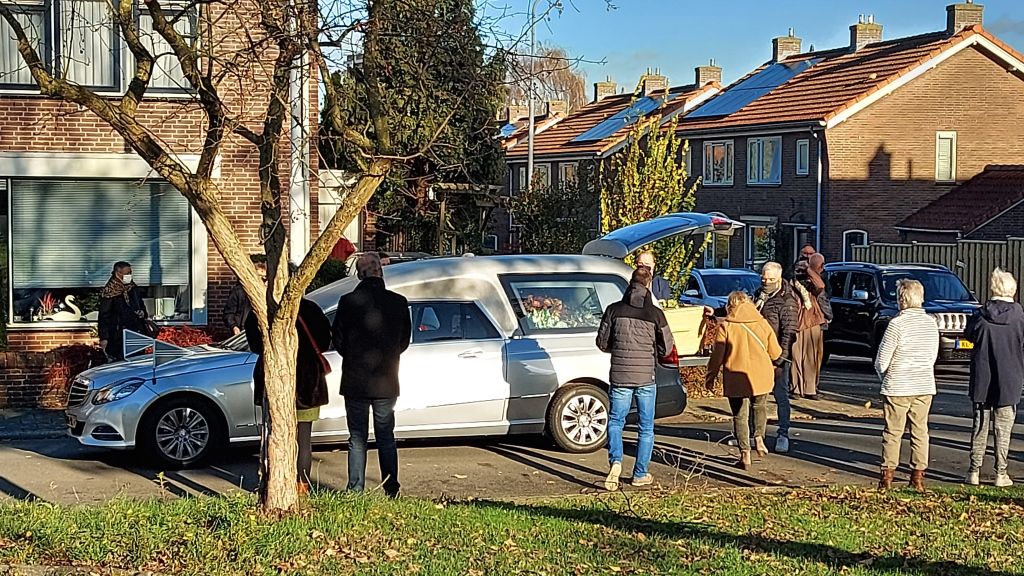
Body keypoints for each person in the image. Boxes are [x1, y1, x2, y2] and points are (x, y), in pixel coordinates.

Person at [332, 253, 411, 497]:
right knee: (386, 435)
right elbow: (404, 341)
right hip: (386, 379)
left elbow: (338, 339)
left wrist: (353, 356)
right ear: (381, 271)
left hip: (356, 378)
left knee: (357, 437)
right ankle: (391, 487)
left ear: (359, 274)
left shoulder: (347, 301)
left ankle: (356, 489)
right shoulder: (398, 302)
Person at [596, 266, 674, 491]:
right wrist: (654, 352)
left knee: (616, 421)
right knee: (646, 427)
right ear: (648, 284)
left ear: (630, 282)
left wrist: (617, 349)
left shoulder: (613, 310)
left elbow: (602, 342)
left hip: (620, 375)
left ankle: (616, 461)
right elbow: (667, 347)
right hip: (646, 376)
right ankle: (640, 473)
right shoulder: (656, 314)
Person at [245, 297, 331, 494]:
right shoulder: (311, 308)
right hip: (308, 382)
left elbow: (255, 345)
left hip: (273, 377)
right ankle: (302, 485)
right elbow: (325, 341)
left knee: (273, 436)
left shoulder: (261, 310)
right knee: (303, 438)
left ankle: (273, 484)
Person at [705, 291, 782, 469]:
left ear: (730, 305)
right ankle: (759, 438)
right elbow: (776, 353)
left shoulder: (727, 326)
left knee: (740, 415)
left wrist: (710, 376)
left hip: (735, 376)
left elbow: (717, 356)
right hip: (761, 375)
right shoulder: (762, 323)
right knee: (760, 406)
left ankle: (745, 455)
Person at [875, 279, 938, 491]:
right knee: (920, 431)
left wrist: (882, 377)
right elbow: (932, 356)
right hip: (923, 383)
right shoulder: (931, 323)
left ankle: (887, 476)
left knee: (893, 432)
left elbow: (882, 361)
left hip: (898, 385)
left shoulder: (896, 325)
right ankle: (918, 476)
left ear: (902, 299)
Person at [963, 268, 1024, 488]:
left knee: (980, 425)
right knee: (1004, 428)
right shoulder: (1019, 316)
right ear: (1013, 290)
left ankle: (973, 470)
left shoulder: (980, 314)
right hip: (1010, 377)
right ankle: (1001, 472)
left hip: (983, 376)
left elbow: (969, 334)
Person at [754, 262, 800, 453]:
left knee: (780, 395)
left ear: (779, 279)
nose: (766, 282)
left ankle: (783, 434)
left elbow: (789, 333)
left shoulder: (787, 301)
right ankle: (756, 434)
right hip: (758, 353)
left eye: (771, 279)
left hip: (778, 356)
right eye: (764, 278)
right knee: (757, 397)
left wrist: (780, 358)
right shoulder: (759, 295)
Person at [790, 253, 828, 399]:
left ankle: (810, 388)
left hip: (812, 321)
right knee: (797, 356)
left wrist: (809, 271)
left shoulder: (813, 283)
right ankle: (796, 388)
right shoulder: (792, 283)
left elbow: (821, 286)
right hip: (798, 321)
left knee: (812, 357)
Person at [98, 261, 148, 361]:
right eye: (127, 273)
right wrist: (104, 337)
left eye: (130, 273)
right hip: (118, 336)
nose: (129, 276)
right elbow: (104, 316)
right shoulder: (110, 292)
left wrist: (142, 313)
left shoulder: (133, 288)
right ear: (118, 273)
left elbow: (141, 305)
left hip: (136, 333)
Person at [223, 257, 268, 335]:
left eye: (264, 277)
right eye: (260, 276)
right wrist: (234, 326)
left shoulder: (271, 291)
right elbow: (229, 313)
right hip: (243, 332)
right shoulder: (239, 291)